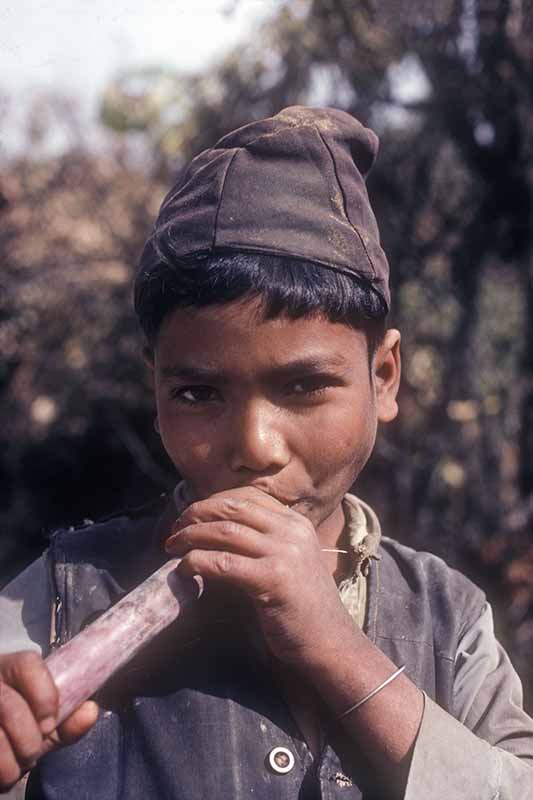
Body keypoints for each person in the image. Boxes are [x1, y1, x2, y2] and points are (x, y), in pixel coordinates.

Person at [1, 106, 532, 800]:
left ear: (383, 377)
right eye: (197, 394)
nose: (253, 446)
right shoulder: (64, 595)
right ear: (154, 385)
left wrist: (333, 648)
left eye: (305, 385)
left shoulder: (446, 617)